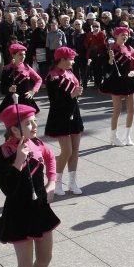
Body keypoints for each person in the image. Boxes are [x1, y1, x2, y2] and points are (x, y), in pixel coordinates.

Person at [0, 104, 60, 267]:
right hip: (18, 212)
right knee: (25, 263)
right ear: (14, 130)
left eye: (34, 121)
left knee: (45, 257)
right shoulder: (4, 152)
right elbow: (7, 188)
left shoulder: (39, 144)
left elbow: (51, 160)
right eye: (28, 123)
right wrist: (18, 161)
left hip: (40, 209)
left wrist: (52, 183)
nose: (34, 125)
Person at [44, 46, 84, 196]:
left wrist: (77, 94)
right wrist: (72, 95)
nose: (73, 62)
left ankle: (72, 182)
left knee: (75, 151)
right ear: (62, 59)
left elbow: (73, 94)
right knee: (66, 151)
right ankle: (56, 182)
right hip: (60, 116)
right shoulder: (52, 77)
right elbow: (55, 101)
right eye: (71, 59)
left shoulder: (70, 73)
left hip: (74, 113)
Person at [100, 26, 134, 146]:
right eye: (122, 34)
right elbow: (106, 68)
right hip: (116, 81)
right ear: (116, 36)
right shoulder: (111, 49)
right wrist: (111, 59)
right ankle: (113, 137)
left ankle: (127, 136)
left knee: (132, 110)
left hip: (128, 80)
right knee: (117, 111)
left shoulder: (129, 48)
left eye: (126, 34)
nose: (125, 36)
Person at [0, 43, 41, 115]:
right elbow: (2, 90)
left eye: (24, 54)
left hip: (26, 102)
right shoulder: (7, 69)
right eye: (20, 54)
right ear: (13, 55)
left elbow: (39, 79)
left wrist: (33, 91)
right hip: (11, 102)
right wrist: (9, 89)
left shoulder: (27, 67)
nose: (23, 56)